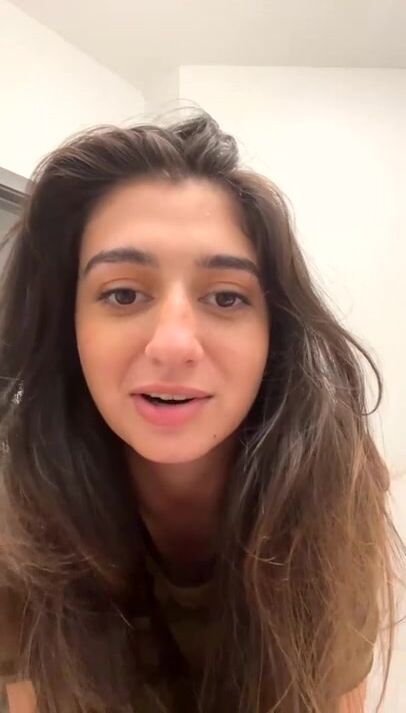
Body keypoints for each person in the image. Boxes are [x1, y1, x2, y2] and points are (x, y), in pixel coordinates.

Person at [0, 110, 401, 713]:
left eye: (226, 297)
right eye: (123, 293)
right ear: (69, 327)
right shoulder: (17, 514)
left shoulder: (334, 489)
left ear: (275, 335)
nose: (173, 345)